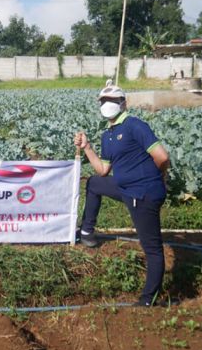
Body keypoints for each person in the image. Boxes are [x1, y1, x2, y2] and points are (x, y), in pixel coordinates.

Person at [73, 80, 170, 307]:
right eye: (103, 101)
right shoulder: (109, 134)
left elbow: (162, 157)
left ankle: (148, 300)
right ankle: (87, 231)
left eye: (112, 100)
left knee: (152, 248)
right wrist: (87, 147)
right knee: (95, 183)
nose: (107, 104)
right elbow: (103, 170)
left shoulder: (136, 126)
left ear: (123, 104)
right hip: (125, 188)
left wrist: (158, 178)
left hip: (143, 193)